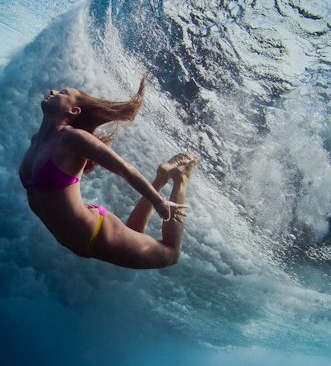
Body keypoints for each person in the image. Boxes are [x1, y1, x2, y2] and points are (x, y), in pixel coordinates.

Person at [19, 76, 198, 269]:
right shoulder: (35, 141)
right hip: (81, 236)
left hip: (95, 235)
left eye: (62, 93)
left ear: (73, 110)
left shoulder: (73, 138)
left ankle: (181, 179)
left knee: (171, 254)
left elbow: (124, 169)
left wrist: (159, 202)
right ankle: (162, 177)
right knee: (134, 233)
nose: (53, 91)